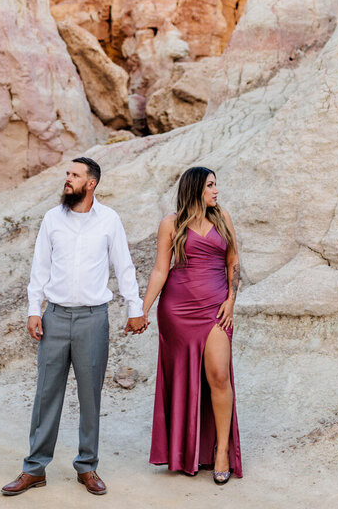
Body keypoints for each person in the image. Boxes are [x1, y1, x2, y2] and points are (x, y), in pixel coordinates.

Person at [1, 156, 148, 498]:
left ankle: (87, 467)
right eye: (67, 174)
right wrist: (33, 310)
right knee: (46, 394)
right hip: (54, 317)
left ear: (91, 183)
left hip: (93, 319)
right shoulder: (52, 219)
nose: (67, 180)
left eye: (74, 175)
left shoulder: (109, 220)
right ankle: (34, 469)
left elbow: (124, 267)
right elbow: (40, 267)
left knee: (89, 396)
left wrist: (134, 308)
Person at [143, 166, 242, 484]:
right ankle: (185, 451)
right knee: (184, 378)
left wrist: (231, 300)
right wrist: (142, 310)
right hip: (177, 310)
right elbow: (160, 270)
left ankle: (221, 451)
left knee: (218, 375)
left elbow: (233, 261)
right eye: (211, 185)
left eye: (216, 184)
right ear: (196, 188)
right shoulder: (170, 224)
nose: (216, 190)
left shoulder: (222, 218)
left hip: (215, 309)